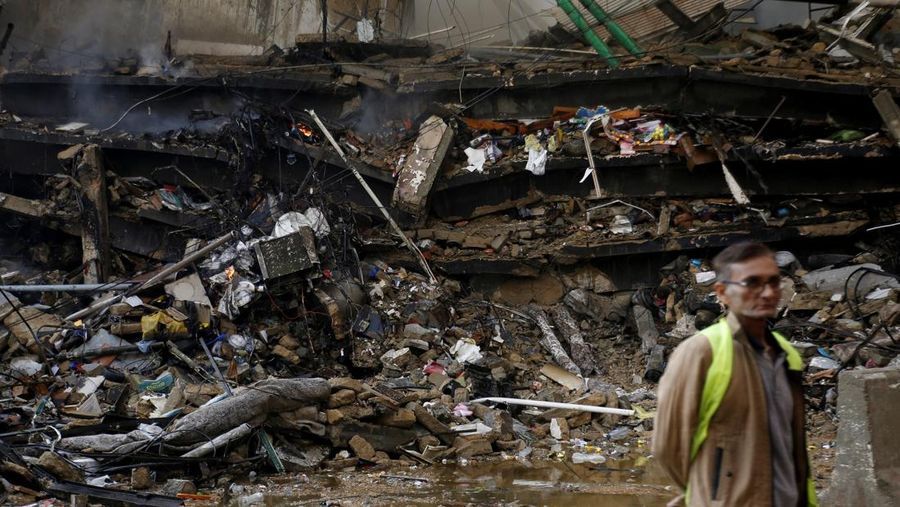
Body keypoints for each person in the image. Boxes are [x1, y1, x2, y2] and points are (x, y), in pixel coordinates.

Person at [653, 242, 817, 506]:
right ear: (723, 292)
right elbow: (668, 446)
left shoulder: (788, 355)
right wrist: (712, 494)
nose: (767, 292)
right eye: (752, 283)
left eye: (773, 282)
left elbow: (795, 445)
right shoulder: (701, 352)